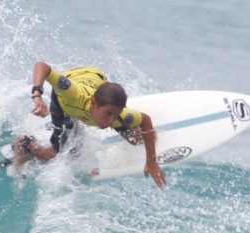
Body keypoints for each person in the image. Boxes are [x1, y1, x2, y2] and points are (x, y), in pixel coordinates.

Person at [12, 61, 167, 190]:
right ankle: (27, 144)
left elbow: (145, 120)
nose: (112, 121)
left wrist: (151, 162)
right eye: (108, 114)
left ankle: (123, 128)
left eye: (116, 114)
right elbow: (42, 66)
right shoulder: (72, 94)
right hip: (68, 95)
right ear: (93, 104)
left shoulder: (118, 115)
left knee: (137, 139)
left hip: (95, 75)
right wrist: (37, 96)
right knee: (66, 156)